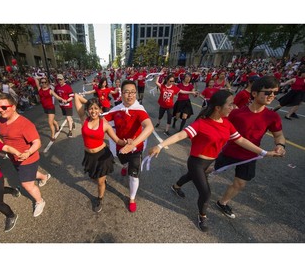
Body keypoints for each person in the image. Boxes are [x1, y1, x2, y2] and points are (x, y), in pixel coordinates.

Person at [149, 90, 283, 232]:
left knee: (191, 176)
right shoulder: (201, 124)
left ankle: (175, 186)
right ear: (218, 108)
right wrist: (160, 145)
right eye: (230, 105)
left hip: (210, 162)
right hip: (196, 162)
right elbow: (180, 135)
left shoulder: (227, 123)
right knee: (206, 193)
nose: (234, 107)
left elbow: (241, 140)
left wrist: (264, 152)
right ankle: (202, 216)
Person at [214, 76, 286, 219]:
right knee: (209, 169)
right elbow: (219, 124)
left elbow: (279, 135)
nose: (271, 96)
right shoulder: (237, 113)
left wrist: (280, 145)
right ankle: (190, 177)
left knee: (240, 183)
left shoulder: (272, 116)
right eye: (267, 92)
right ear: (254, 94)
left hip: (250, 155)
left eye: (275, 93)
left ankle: (222, 202)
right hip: (230, 151)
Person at [0, 94, 50, 217]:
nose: (0, 110)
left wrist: (28, 153)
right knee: (27, 173)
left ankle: (40, 201)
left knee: (27, 184)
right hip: (14, 158)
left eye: (4, 107)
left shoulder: (25, 124)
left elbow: (37, 142)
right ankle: (44, 177)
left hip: (28, 158)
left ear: (13, 107)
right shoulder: (0, 120)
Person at [103, 80, 154, 213]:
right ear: (121, 93)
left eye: (132, 92)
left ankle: (131, 198)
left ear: (136, 93)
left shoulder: (139, 110)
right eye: (126, 92)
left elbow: (149, 127)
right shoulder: (116, 109)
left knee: (134, 174)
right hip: (121, 146)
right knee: (124, 162)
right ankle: (125, 166)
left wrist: (134, 144)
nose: (130, 95)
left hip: (136, 148)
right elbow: (101, 121)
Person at [73, 93, 127, 212]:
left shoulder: (105, 124)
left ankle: (99, 198)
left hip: (102, 156)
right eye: (91, 108)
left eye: (96, 108)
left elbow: (117, 140)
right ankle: (102, 181)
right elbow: (76, 96)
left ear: (100, 110)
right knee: (94, 178)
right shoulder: (83, 118)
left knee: (100, 182)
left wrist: (127, 142)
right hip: (89, 157)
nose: (93, 111)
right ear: (87, 109)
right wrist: (91, 102)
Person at [34, 76, 65, 141]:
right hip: (45, 108)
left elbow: (57, 96)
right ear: (40, 83)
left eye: (45, 82)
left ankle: (53, 135)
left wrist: (63, 99)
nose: (44, 83)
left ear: (47, 83)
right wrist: (42, 77)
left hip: (51, 107)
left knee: (50, 123)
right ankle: (57, 126)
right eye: (42, 82)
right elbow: (35, 78)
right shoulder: (39, 88)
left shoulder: (50, 90)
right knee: (52, 120)